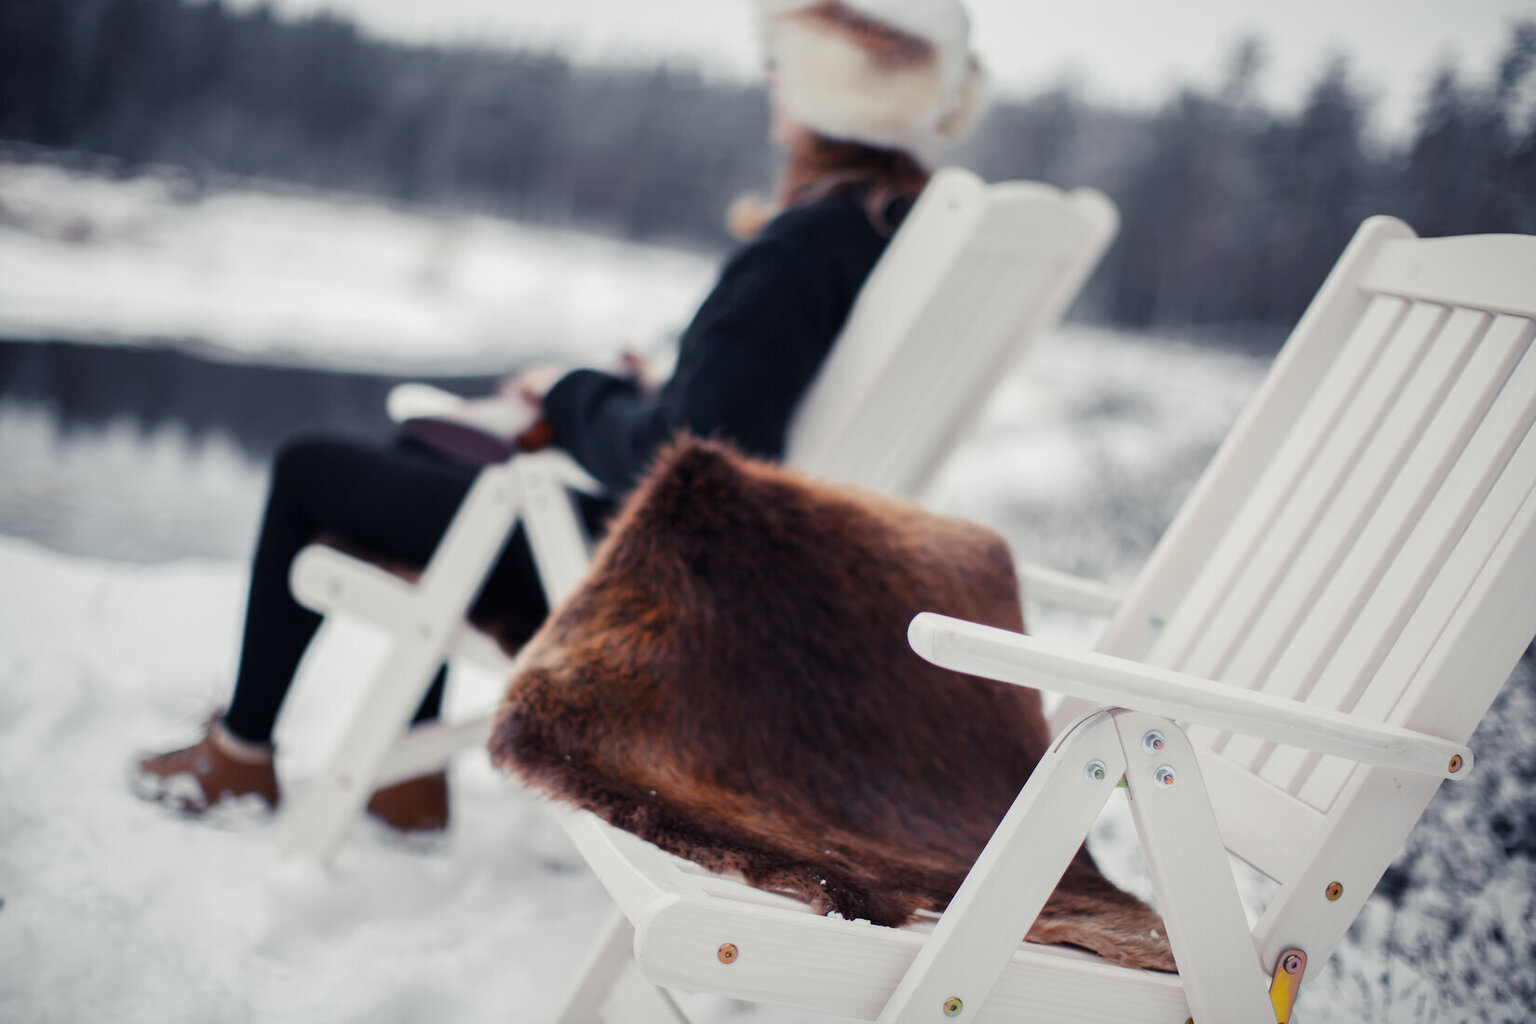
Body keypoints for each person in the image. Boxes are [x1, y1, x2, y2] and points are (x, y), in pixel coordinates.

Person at [134, 0, 989, 832]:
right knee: (428, 450)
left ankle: (242, 756)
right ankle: (406, 771)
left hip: (660, 600)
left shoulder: (800, 249)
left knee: (309, 467)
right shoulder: (887, 235)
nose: (771, 77)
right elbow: (745, 413)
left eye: (788, 61)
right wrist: (644, 388)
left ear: (829, 87)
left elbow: (694, 462)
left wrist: (569, 396)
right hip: (767, 589)